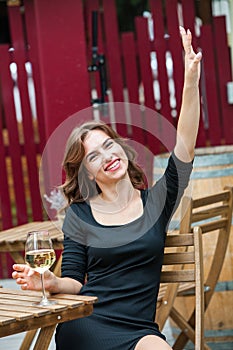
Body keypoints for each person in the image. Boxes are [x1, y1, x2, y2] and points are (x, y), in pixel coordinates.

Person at [12, 27, 202, 350]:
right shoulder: (79, 215)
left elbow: (184, 144)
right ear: (87, 173)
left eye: (109, 145)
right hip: (87, 325)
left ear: (122, 148)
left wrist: (191, 81)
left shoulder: (157, 201)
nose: (107, 156)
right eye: (94, 156)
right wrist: (53, 282)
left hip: (139, 328)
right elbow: (74, 279)